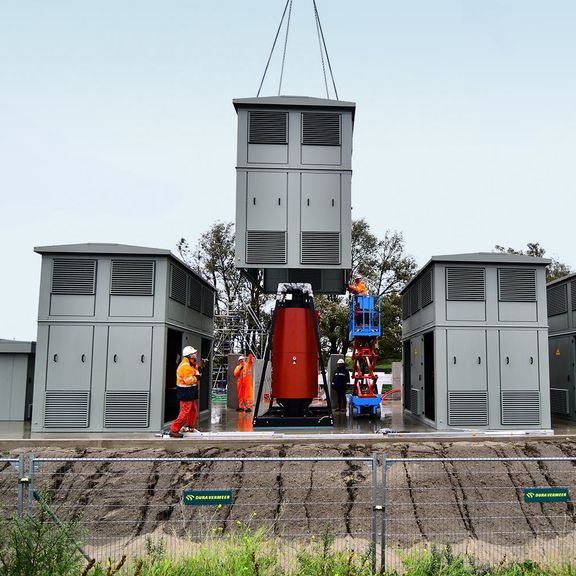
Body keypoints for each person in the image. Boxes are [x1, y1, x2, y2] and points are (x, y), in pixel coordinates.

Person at [169, 346, 200, 438]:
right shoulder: (185, 366)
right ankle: (174, 429)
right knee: (185, 411)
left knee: (193, 409)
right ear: (190, 355)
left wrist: (199, 368)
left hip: (190, 392)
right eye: (194, 353)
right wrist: (197, 377)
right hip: (186, 392)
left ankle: (190, 426)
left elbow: (195, 372)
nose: (195, 354)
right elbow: (189, 380)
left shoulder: (190, 364)